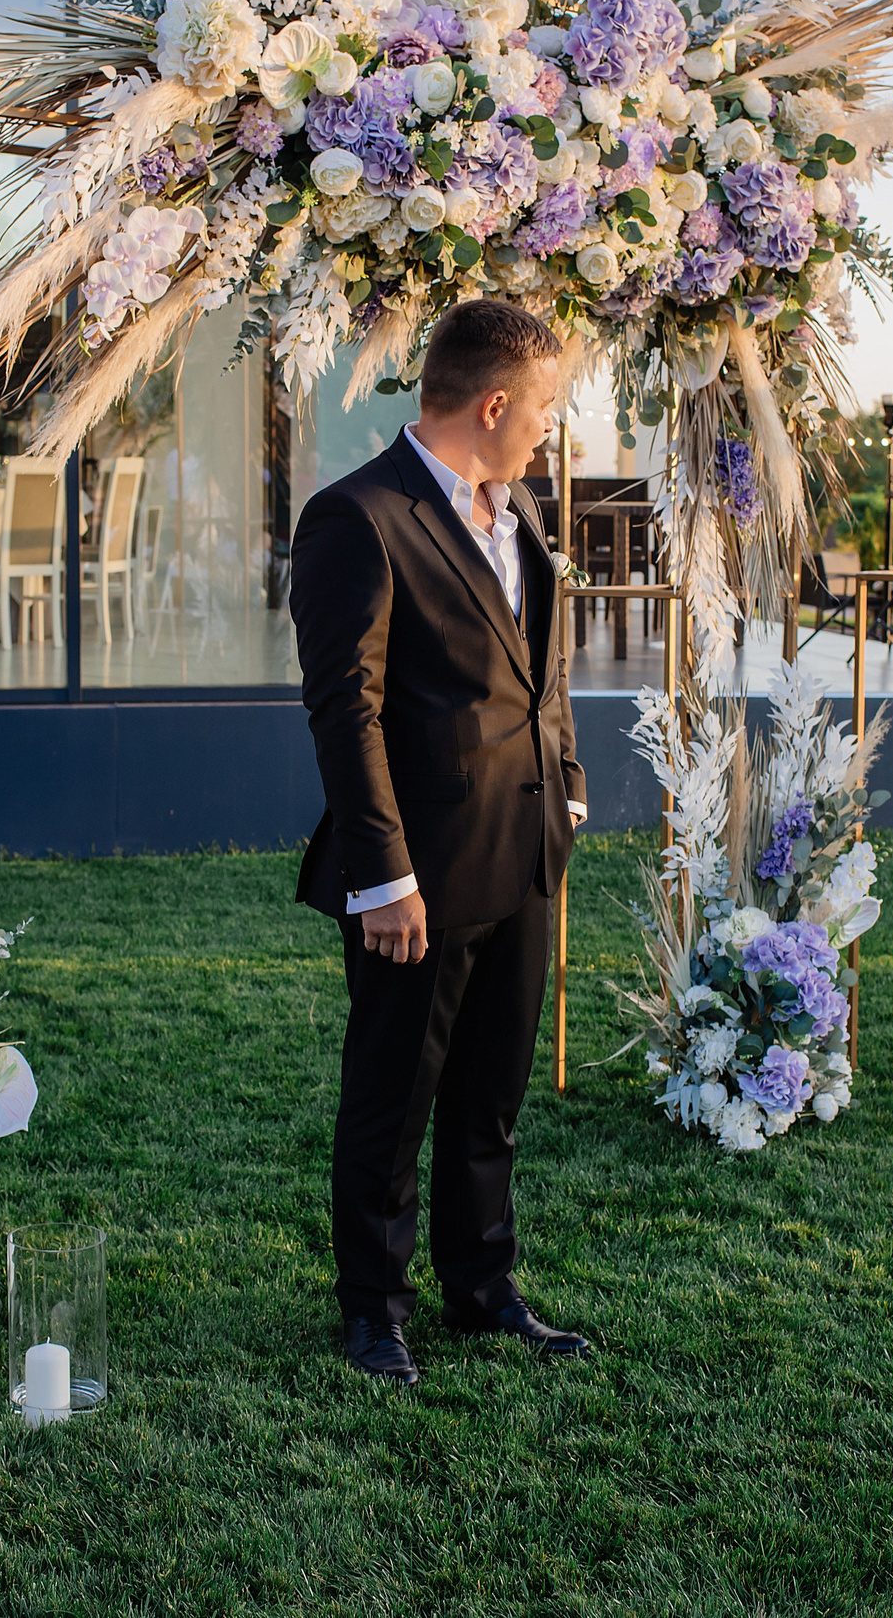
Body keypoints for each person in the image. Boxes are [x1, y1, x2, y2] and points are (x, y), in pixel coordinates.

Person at [288, 300, 592, 1386]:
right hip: (415, 872)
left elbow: (539, 665)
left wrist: (570, 782)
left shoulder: (520, 515)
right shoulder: (356, 518)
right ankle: (373, 1308)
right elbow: (345, 709)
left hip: (525, 848)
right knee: (392, 1095)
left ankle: (483, 1284)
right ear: (494, 402)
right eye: (547, 405)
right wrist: (383, 876)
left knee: (490, 1094)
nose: (553, 426)